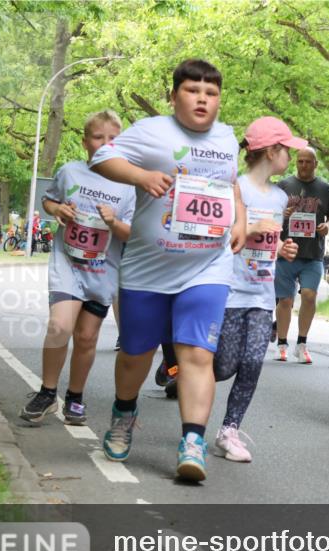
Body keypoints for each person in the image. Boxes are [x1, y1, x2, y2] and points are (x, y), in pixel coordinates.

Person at [89, 59, 246, 482]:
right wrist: (141, 176)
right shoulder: (150, 131)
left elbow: (230, 184)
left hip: (207, 264)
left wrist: (241, 219)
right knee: (136, 354)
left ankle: (192, 441)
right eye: (193, 91)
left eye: (211, 93)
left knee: (197, 354)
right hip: (148, 267)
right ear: (174, 95)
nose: (202, 99)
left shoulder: (228, 137)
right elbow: (102, 158)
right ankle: (124, 412)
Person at [19, 111, 136, 426]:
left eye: (113, 139)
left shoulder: (129, 184)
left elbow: (132, 233)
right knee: (59, 326)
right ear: (85, 142)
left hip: (103, 270)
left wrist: (113, 222)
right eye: (98, 138)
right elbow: (49, 200)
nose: (105, 144)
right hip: (68, 263)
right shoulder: (70, 171)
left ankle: (75, 397)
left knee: (86, 338)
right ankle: (46, 392)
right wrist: (57, 209)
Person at [212, 117, 301, 462]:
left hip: (263, 295)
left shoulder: (280, 197)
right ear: (270, 151)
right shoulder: (236, 187)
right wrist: (248, 229)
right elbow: (220, 234)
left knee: (252, 363)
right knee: (223, 366)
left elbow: (269, 239)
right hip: (231, 290)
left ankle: (229, 430)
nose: (290, 159)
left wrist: (281, 249)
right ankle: (180, 369)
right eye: (287, 151)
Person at [275, 147, 329, 363]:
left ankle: (302, 343)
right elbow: (269, 213)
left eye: (307, 162)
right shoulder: (284, 185)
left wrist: (327, 227)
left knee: (309, 296)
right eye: (300, 161)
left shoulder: (325, 188)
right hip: (287, 250)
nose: (303, 165)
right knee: (285, 300)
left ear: (315, 164)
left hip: (313, 252)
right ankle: (282, 343)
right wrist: (281, 214)